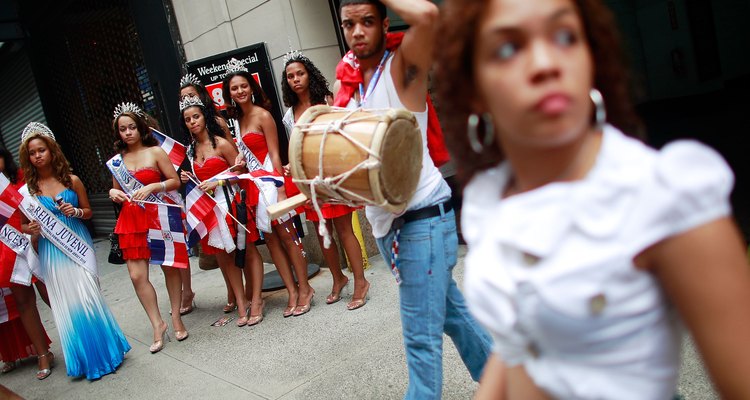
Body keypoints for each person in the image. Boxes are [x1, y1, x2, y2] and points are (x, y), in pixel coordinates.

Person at [434, 0, 750, 398]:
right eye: (508, 48)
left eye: (565, 36)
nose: (546, 63)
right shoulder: (491, 199)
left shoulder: (663, 193)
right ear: (473, 90)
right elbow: (519, 344)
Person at [336, 1, 492, 398]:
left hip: (423, 218)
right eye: (349, 24)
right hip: (389, 226)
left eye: (367, 22)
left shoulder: (402, 68)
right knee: (454, 316)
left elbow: (428, 15)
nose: (357, 32)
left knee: (421, 341)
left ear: (384, 23)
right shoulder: (348, 84)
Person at [19, 122, 130, 380]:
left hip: (76, 242)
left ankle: (108, 352)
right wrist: (31, 228)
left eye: (41, 150)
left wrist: (77, 212)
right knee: (68, 304)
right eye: (32, 152)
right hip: (52, 252)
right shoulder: (29, 192)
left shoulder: (72, 180)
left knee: (88, 296)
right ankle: (84, 360)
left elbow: (88, 211)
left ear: (52, 151)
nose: (37, 156)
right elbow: (22, 224)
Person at [223, 61, 315, 318]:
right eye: (234, 88)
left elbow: (275, 153)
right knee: (272, 241)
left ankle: (305, 289)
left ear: (252, 88)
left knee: (288, 237)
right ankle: (292, 291)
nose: (240, 91)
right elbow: (248, 149)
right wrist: (241, 159)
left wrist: (281, 190)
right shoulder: (238, 119)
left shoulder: (263, 115)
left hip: (272, 183)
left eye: (244, 86)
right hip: (255, 185)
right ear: (228, 93)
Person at [281, 51, 370, 309]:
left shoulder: (327, 100)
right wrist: (291, 165)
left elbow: (341, 134)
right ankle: (338, 278)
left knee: (344, 228)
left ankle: (361, 282)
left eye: (300, 73)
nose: (295, 79)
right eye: (290, 76)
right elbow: (295, 145)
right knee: (322, 232)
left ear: (309, 74)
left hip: (331, 170)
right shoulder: (290, 113)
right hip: (308, 177)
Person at [108, 103, 189, 352]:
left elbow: (175, 181)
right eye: (123, 129)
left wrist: (155, 187)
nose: (128, 132)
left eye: (132, 127)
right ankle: (157, 323)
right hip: (131, 220)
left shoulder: (155, 152)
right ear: (118, 133)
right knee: (136, 275)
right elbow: (116, 189)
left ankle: (175, 315)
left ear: (140, 127)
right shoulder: (117, 162)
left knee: (169, 268)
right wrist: (113, 192)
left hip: (158, 214)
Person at [179, 95, 264, 326]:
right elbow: (197, 182)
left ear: (204, 117)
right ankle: (241, 302)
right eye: (187, 119)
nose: (192, 122)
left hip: (231, 204)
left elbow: (240, 171)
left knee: (247, 252)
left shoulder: (222, 143)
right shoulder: (189, 151)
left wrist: (219, 183)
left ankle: (256, 299)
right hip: (210, 210)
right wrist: (188, 177)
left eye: (196, 116)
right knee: (225, 258)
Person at [0, 146, 53, 380]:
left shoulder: (21, 177)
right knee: (23, 302)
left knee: (50, 293)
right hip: (9, 249)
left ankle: (81, 335)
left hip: (35, 244)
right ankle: (42, 353)